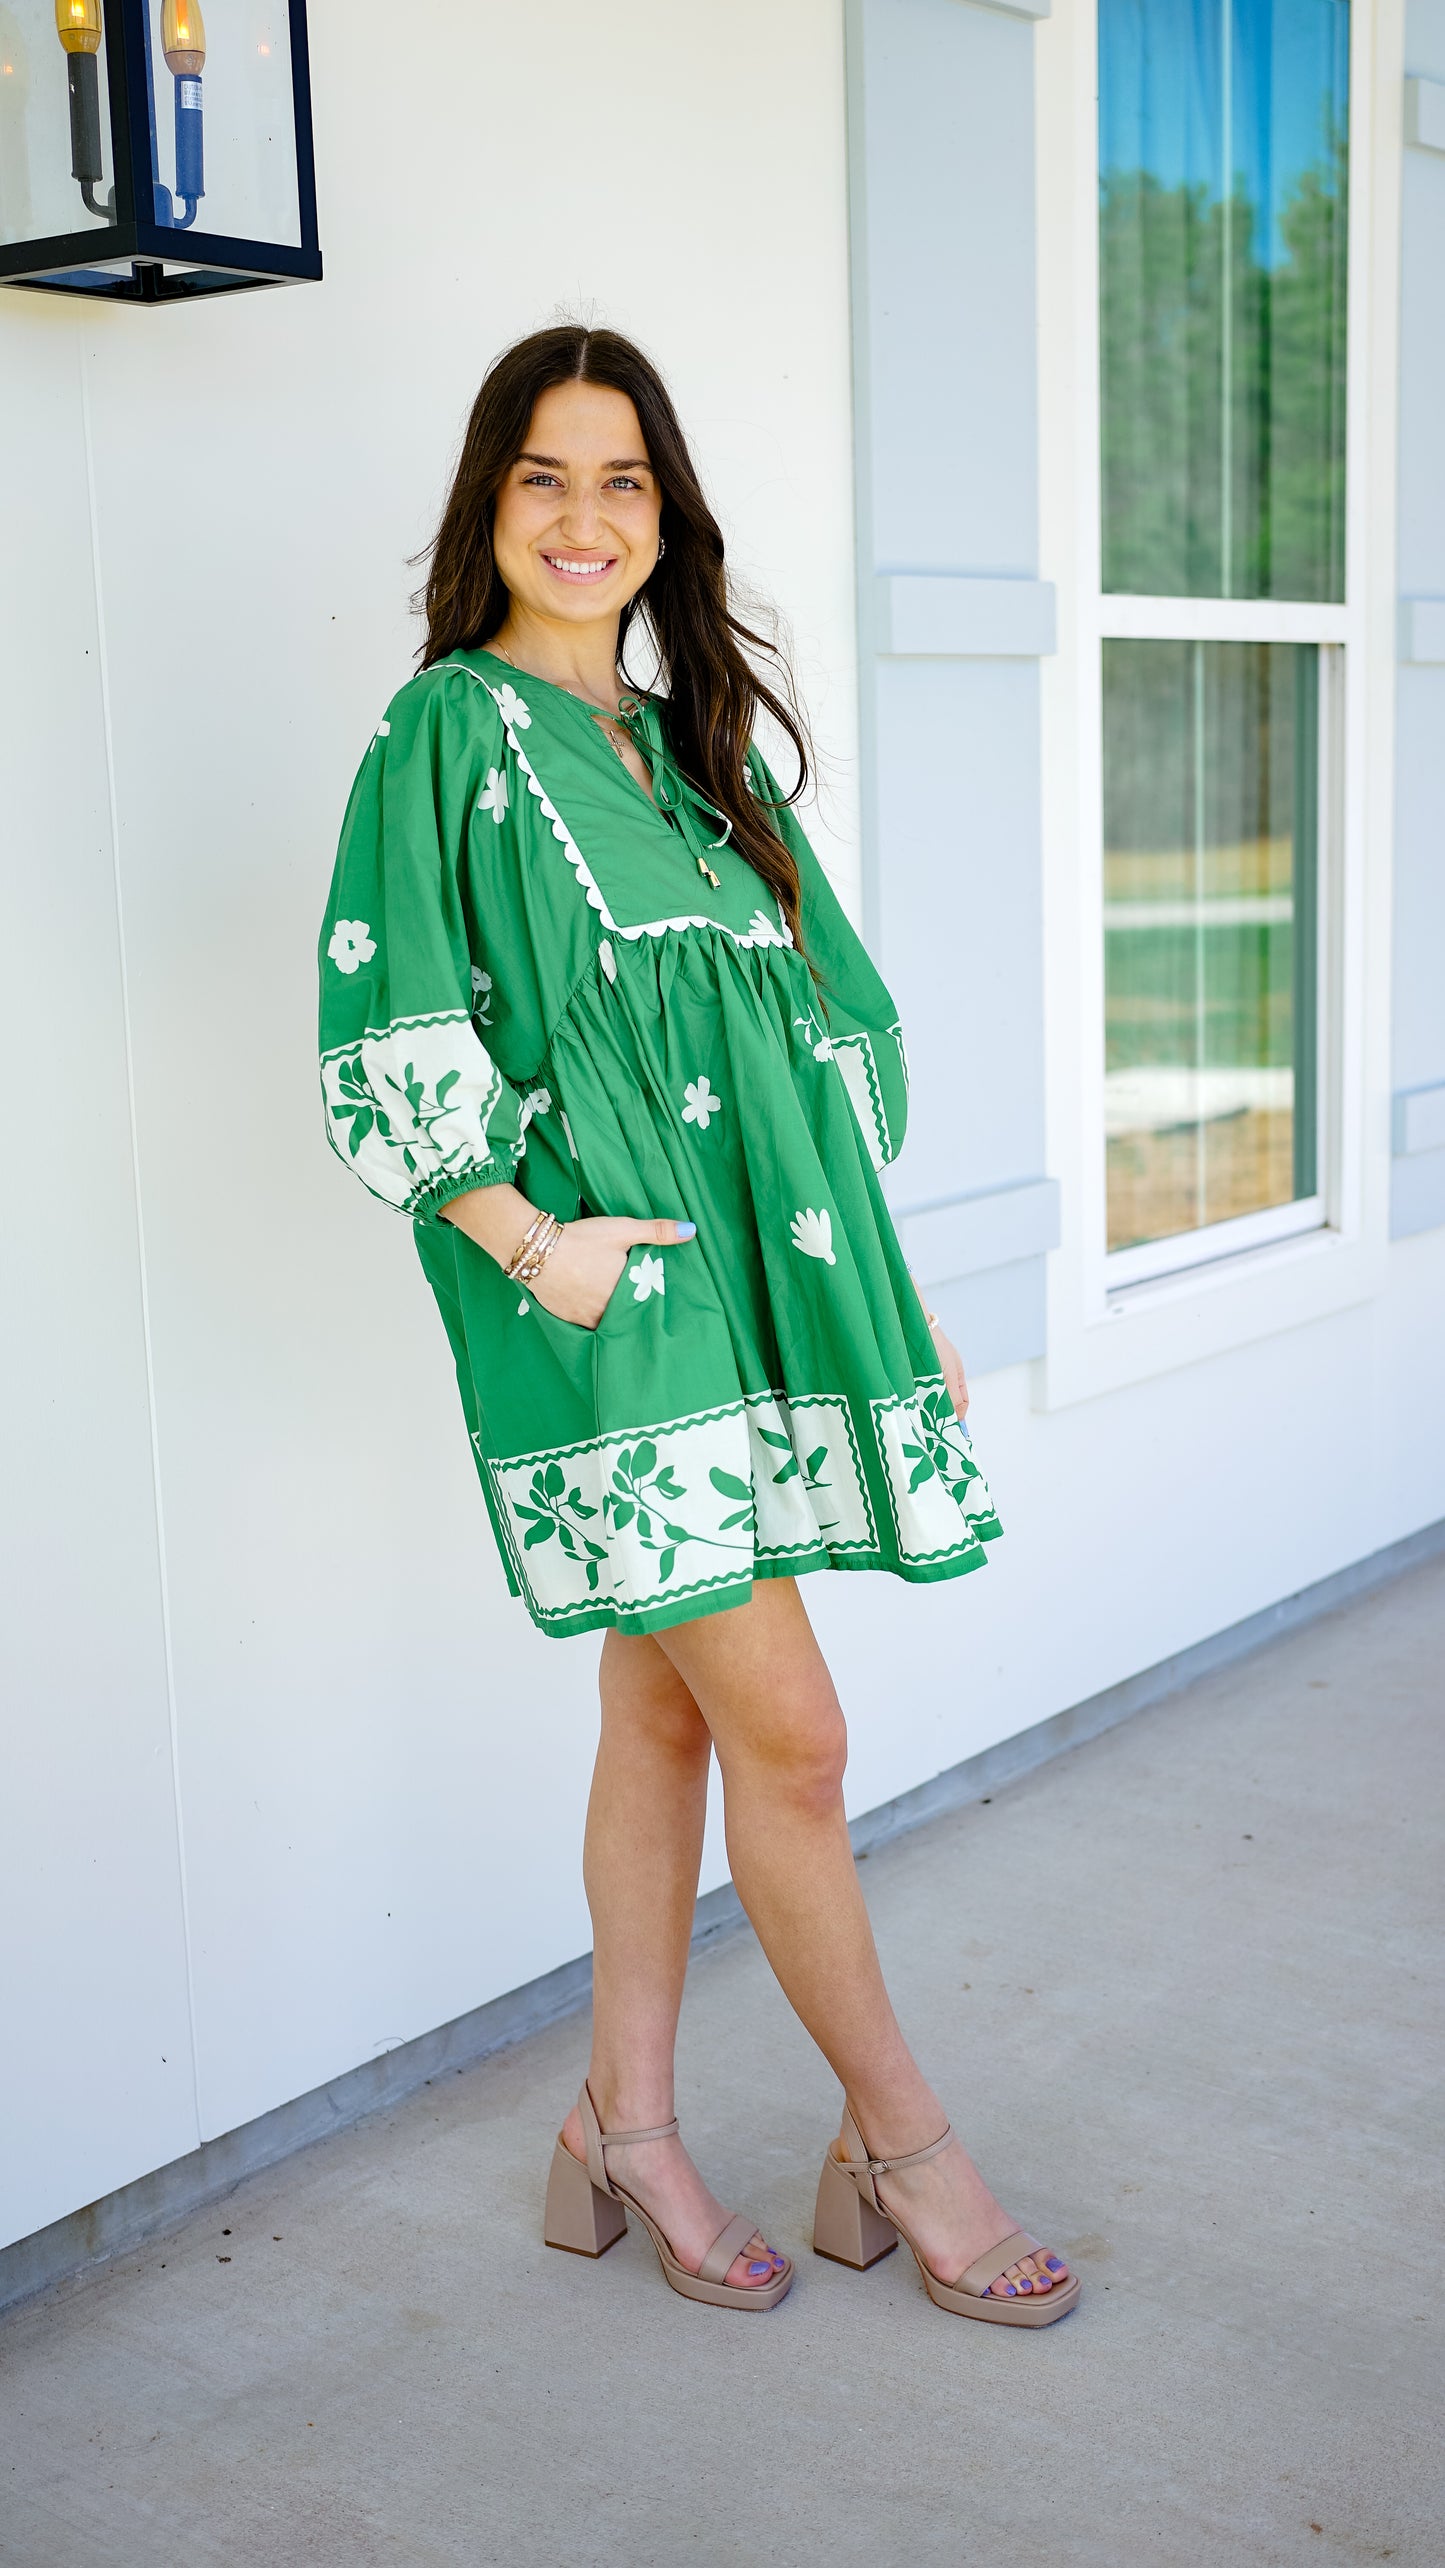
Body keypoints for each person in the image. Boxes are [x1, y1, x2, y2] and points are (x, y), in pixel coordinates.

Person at [318, 326, 1077, 2325]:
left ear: (669, 517)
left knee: (666, 1710)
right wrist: (526, 1240)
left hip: (751, 1308)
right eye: (546, 477)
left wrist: (879, 1321)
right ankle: (904, 2143)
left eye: (625, 481)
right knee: (801, 1739)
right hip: (595, 1308)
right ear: (490, 503)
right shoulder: (444, 743)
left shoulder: (684, 753)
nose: (587, 520)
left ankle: (622, 2126)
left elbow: (811, 1070)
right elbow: (378, 1028)